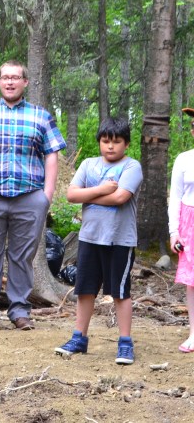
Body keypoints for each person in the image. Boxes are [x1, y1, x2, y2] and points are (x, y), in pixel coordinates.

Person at [0, 60, 67, 331]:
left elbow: (52, 154)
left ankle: (20, 311)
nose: (9, 82)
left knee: (22, 256)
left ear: (25, 82)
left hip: (29, 196)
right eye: (5, 78)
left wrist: (46, 195)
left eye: (15, 78)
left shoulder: (41, 116)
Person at [55, 118, 143, 365]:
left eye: (116, 142)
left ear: (126, 143)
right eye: (106, 141)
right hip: (89, 237)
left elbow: (121, 198)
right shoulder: (88, 164)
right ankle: (79, 338)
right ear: (100, 142)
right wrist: (103, 189)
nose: (111, 147)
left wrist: (89, 196)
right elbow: (71, 194)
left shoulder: (132, 166)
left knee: (120, 292)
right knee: (85, 289)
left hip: (120, 240)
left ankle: (125, 342)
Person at [170, 107, 194, 354]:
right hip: (189, 222)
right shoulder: (184, 159)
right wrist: (173, 231)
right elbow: (175, 197)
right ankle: (193, 333)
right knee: (192, 282)